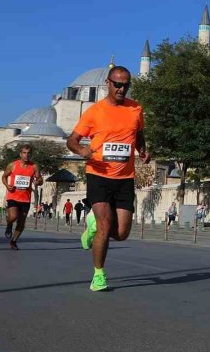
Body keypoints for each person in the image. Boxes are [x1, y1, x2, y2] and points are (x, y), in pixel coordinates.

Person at [67, 65, 148, 292]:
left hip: (125, 178)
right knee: (105, 225)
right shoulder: (94, 111)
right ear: (108, 84)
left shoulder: (135, 109)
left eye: (126, 85)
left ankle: (91, 225)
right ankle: (99, 275)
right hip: (98, 174)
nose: (122, 89)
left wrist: (142, 150)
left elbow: (139, 134)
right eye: (118, 85)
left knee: (121, 233)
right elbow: (72, 140)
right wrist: (82, 151)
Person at [2, 144, 43, 250]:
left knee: (21, 222)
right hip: (13, 196)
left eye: (28, 153)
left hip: (25, 198)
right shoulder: (13, 165)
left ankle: (14, 241)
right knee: (13, 216)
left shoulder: (34, 166)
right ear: (20, 154)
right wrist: (7, 185)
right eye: (24, 153)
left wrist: (37, 181)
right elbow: (4, 177)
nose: (26, 155)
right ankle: (9, 224)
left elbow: (40, 180)